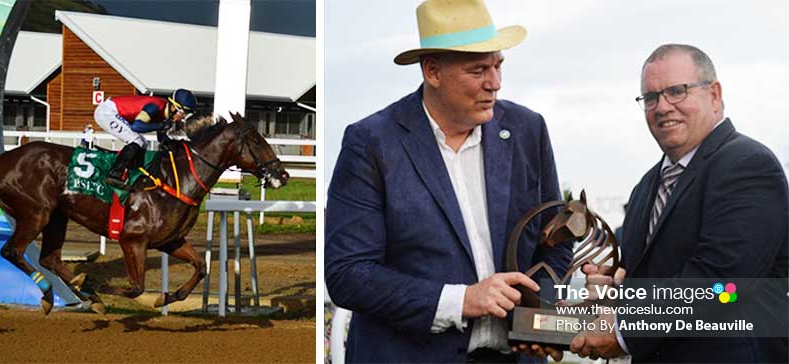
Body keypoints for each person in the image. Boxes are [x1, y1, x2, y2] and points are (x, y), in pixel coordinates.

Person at [325, 1, 573, 362]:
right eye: (478, 70)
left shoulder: (527, 130)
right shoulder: (372, 142)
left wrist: (539, 317)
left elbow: (556, 238)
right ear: (433, 71)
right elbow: (348, 273)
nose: (495, 83)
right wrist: (462, 301)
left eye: (498, 65)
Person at [571, 44, 789, 363]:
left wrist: (623, 330)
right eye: (650, 97)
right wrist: (612, 288)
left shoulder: (747, 165)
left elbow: (722, 283)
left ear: (714, 94)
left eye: (677, 91)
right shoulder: (646, 186)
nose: (662, 107)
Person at [93, 88, 197, 190]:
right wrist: (160, 126)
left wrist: (177, 144)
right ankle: (113, 174)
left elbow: (161, 138)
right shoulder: (154, 107)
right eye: (184, 113)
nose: (183, 118)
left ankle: (133, 173)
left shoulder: (165, 113)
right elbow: (136, 127)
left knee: (143, 142)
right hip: (107, 113)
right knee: (136, 140)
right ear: (174, 108)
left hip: (115, 112)